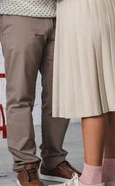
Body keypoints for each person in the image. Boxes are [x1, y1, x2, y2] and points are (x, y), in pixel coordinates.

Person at [0, 0, 81, 185]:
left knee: (60, 94)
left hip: (64, 16)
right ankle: (25, 164)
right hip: (20, 14)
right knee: (20, 94)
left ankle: (54, 160)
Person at [51, 0, 115, 185]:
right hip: (107, 8)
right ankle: (110, 173)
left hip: (82, 11)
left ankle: (91, 179)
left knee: (91, 93)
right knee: (108, 91)